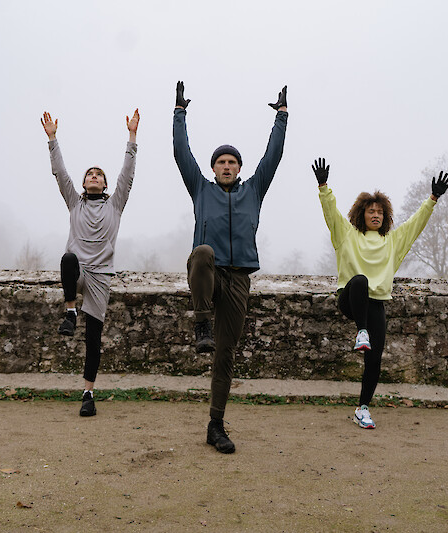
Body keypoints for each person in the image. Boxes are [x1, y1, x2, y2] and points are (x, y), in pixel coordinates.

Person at [174, 81, 288, 453]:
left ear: (239, 168)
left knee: (226, 356)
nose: (226, 166)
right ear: (213, 168)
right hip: (209, 275)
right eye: (221, 162)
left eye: (232, 162)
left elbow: (273, 157)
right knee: (203, 252)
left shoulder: (253, 190)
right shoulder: (200, 189)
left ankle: (216, 424)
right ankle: (201, 322)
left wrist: (281, 118)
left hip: (239, 279)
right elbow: (181, 154)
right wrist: (179, 114)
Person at [313, 157, 448, 429]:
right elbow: (331, 213)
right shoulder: (347, 235)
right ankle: (361, 332)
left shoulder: (392, 242)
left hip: (376, 305)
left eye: (379, 212)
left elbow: (415, 224)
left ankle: (363, 409)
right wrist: (323, 186)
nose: (375, 215)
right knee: (361, 280)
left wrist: (433, 198)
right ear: (361, 214)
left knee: (374, 359)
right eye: (370, 211)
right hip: (350, 298)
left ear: (384, 216)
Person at [41, 109, 139, 417]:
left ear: (106, 184)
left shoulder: (115, 205)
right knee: (68, 258)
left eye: (99, 174)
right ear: (84, 183)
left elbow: (128, 173)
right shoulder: (74, 201)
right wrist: (53, 138)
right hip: (79, 272)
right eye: (90, 174)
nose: (93, 176)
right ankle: (70, 311)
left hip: (101, 278)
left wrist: (132, 137)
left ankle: (88, 393)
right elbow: (60, 173)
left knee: (93, 339)